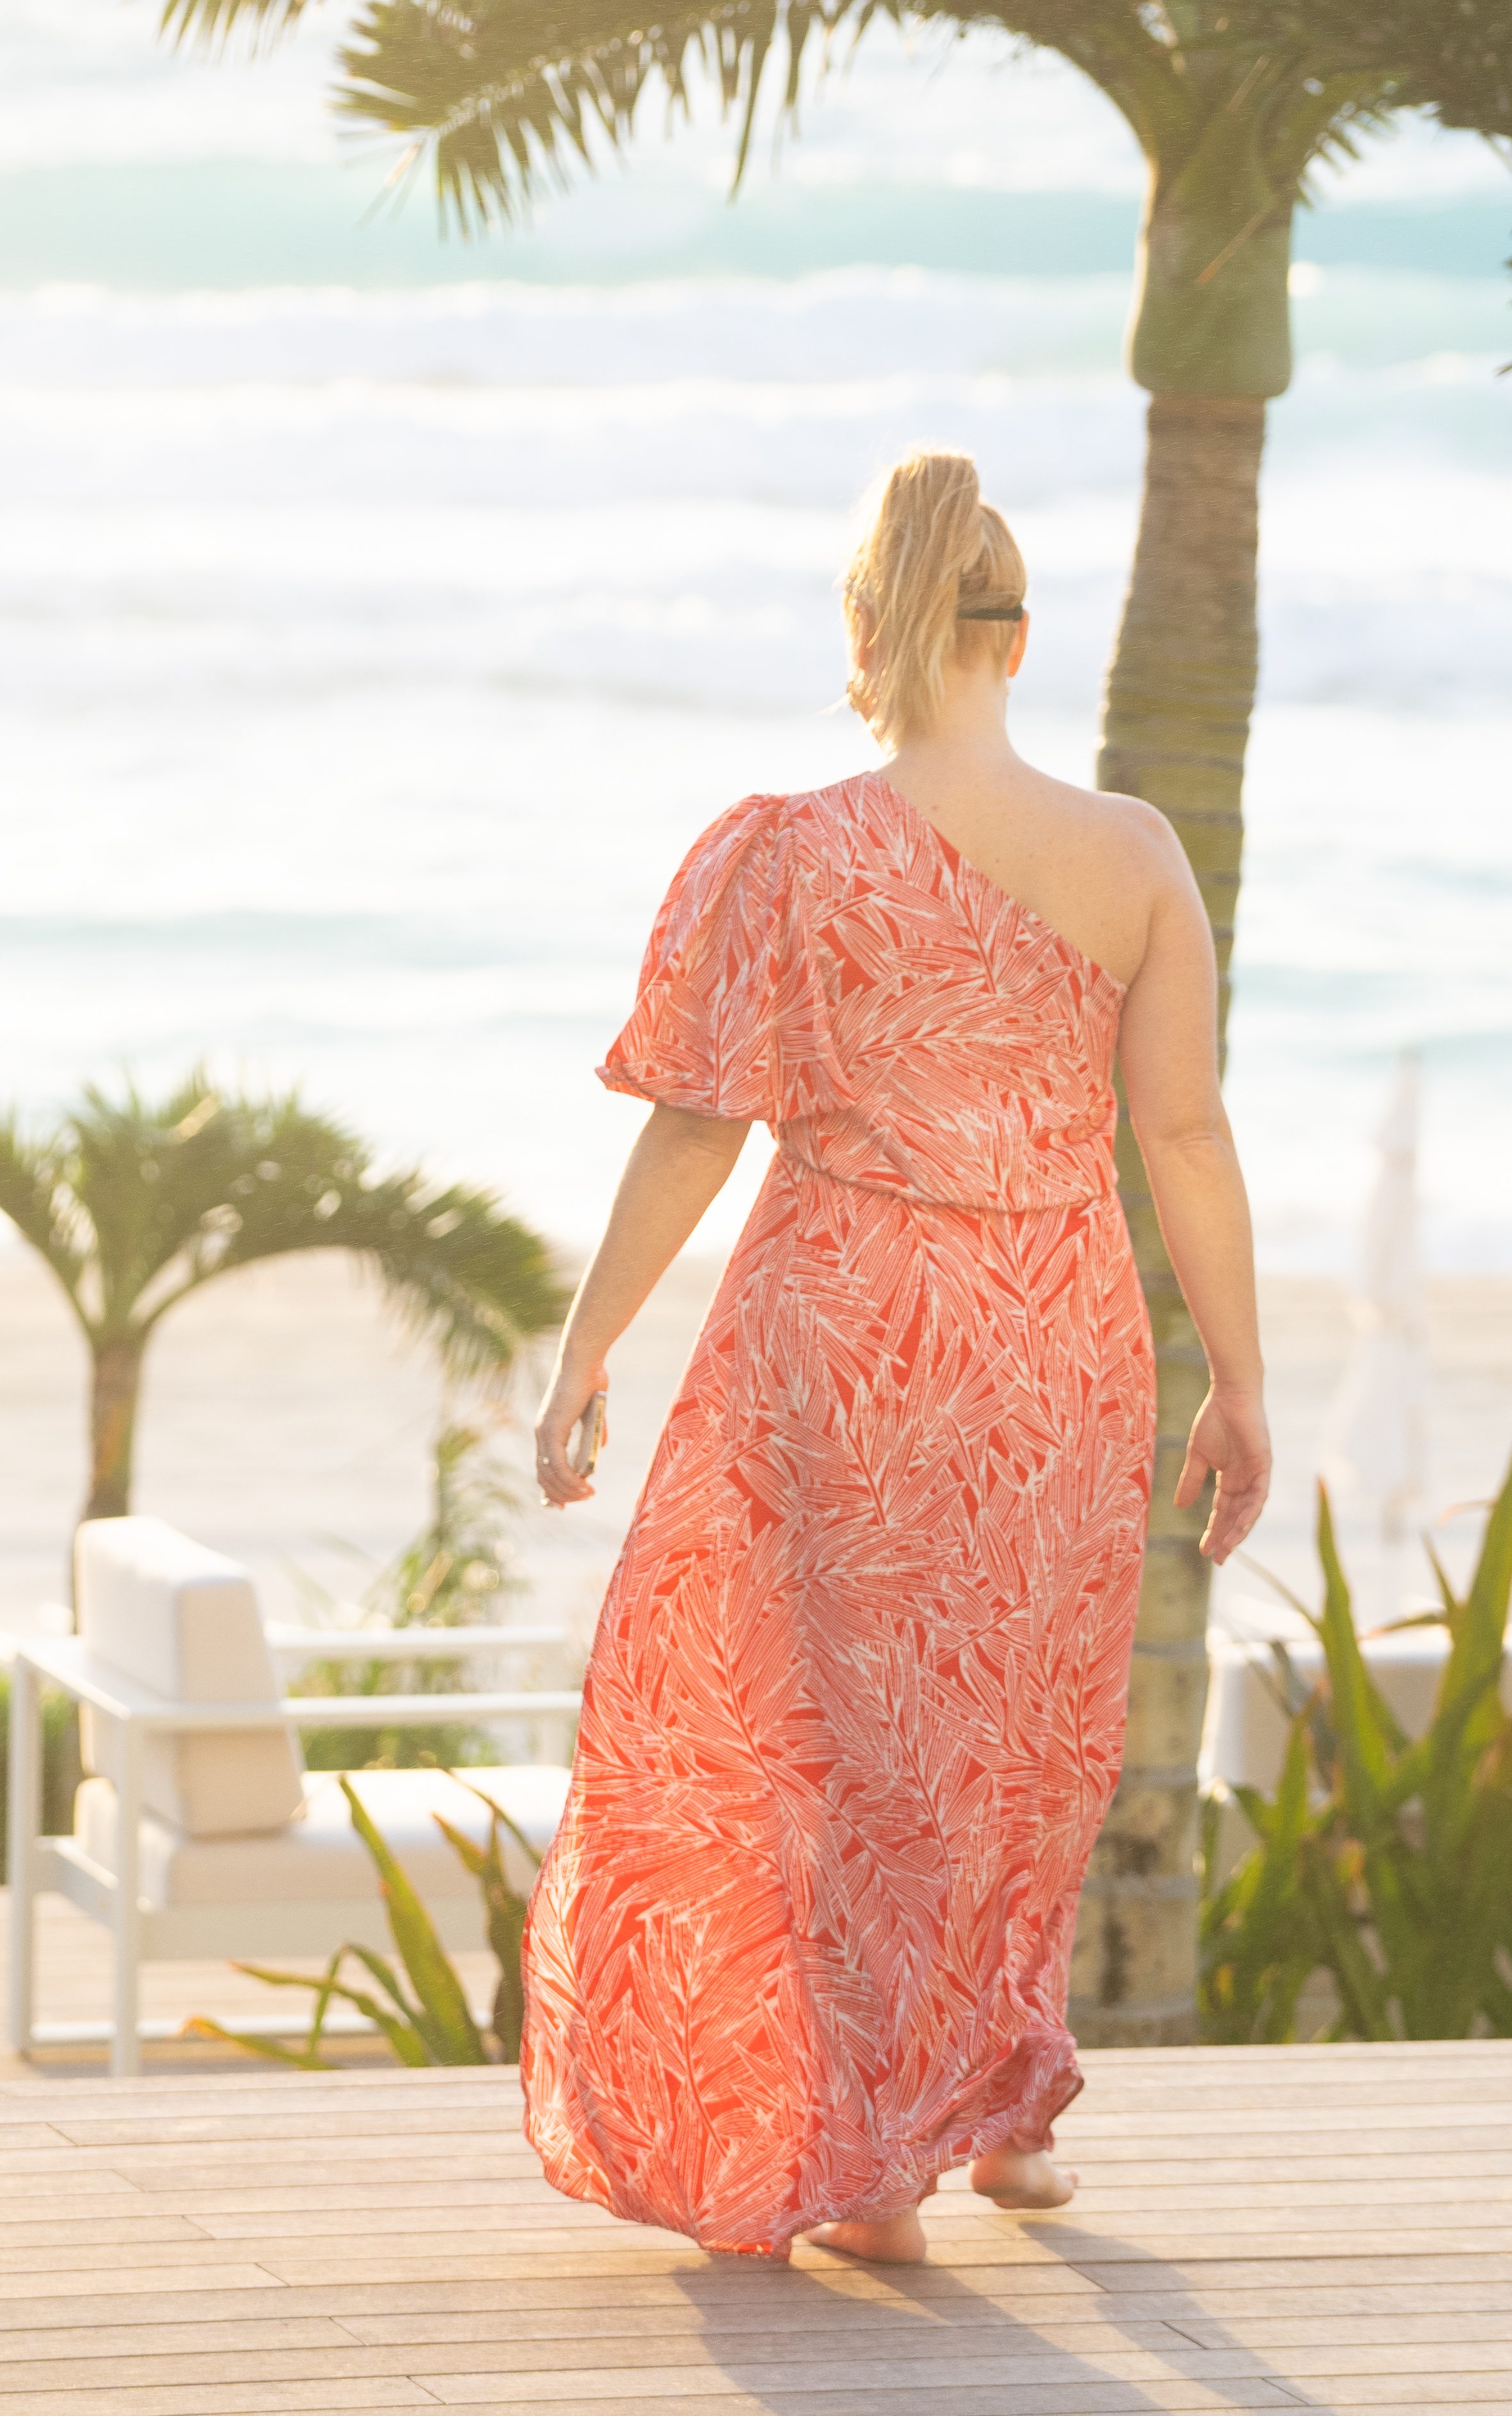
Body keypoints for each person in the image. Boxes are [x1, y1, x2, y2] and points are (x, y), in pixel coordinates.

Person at [520, 450, 1271, 2264]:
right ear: (1019, 637)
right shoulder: (1134, 856)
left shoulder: (789, 848)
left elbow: (698, 1130)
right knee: (1011, 1730)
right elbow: (1182, 1137)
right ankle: (980, 2106)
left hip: (842, 1329)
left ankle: (888, 2151)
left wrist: (585, 1346)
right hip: (1052, 1343)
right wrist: (1244, 1381)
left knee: (834, 1741)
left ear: (869, 632)